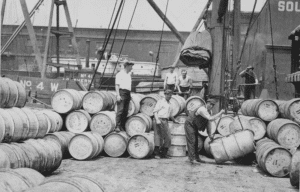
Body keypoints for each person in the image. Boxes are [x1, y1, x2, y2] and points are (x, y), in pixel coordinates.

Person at [184, 98, 225, 164]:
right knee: (192, 141)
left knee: (196, 142)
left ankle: (196, 158)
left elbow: (208, 123)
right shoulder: (202, 109)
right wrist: (220, 113)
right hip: (190, 124)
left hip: (194, 125)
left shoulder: (209, 112)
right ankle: (191, 159)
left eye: (213, 105)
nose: (211, 106)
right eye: (210, 104)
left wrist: (210, 134)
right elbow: (211, 118)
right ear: (207, 103)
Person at [153, 89, 179, 159]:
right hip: (158, 119)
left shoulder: (170, 104)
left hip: (165, 121)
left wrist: (174, 120)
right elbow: (155, 111)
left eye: (171, 95)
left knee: (168, 138)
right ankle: (157, 154)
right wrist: (157, 119)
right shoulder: (160, 101)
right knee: (158, 136)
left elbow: (170, 114)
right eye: (168, 95)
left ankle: (164, 153)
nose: (169, 96)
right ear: (165, 95)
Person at [115, 61, 134, 131]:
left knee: (125, 111)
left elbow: (128, 86)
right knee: (120, 110)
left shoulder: (129, 75)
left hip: (127, 93)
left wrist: (129, 95)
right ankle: (117, 126)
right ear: (127, 66)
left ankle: (122, 126)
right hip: (121, 92)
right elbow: (117, 85)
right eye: (131, 66)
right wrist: (118, 95)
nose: (132, 68)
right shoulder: (119, 74)